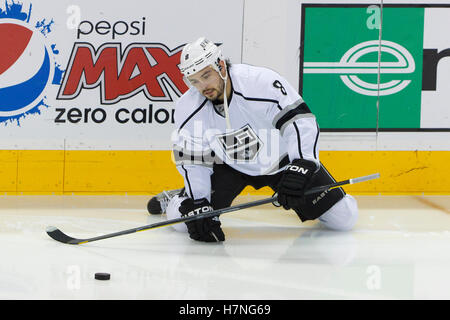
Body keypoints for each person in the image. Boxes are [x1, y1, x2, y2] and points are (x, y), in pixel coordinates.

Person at [147, 37, 358, 242]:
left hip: (281, 161)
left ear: (220, 65)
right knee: (183, 223)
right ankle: (177, 198)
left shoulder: (259, 83)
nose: (203, 86)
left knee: (344, 218)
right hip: (228, 165)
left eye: (206, 75)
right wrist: (199, 201)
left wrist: (302, 164)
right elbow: (192, 159)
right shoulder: (188, 107)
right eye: (194, 81)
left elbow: (300, 121)